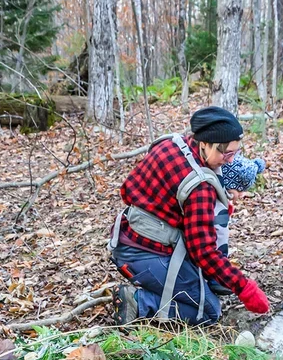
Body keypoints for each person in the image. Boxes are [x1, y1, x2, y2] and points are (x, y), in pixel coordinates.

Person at [108, 106, 271, 325]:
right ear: (205, 143)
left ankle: (181, 281)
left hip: (125, 236)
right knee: (209, 311)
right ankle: (139, 302)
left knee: (204, 285)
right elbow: (203, 251)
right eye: (227, 153)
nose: (230, 161)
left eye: (236, 153)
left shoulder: (172, 144)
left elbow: (127, 188)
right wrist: (243, 287)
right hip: (143, 254)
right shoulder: (199, 186)